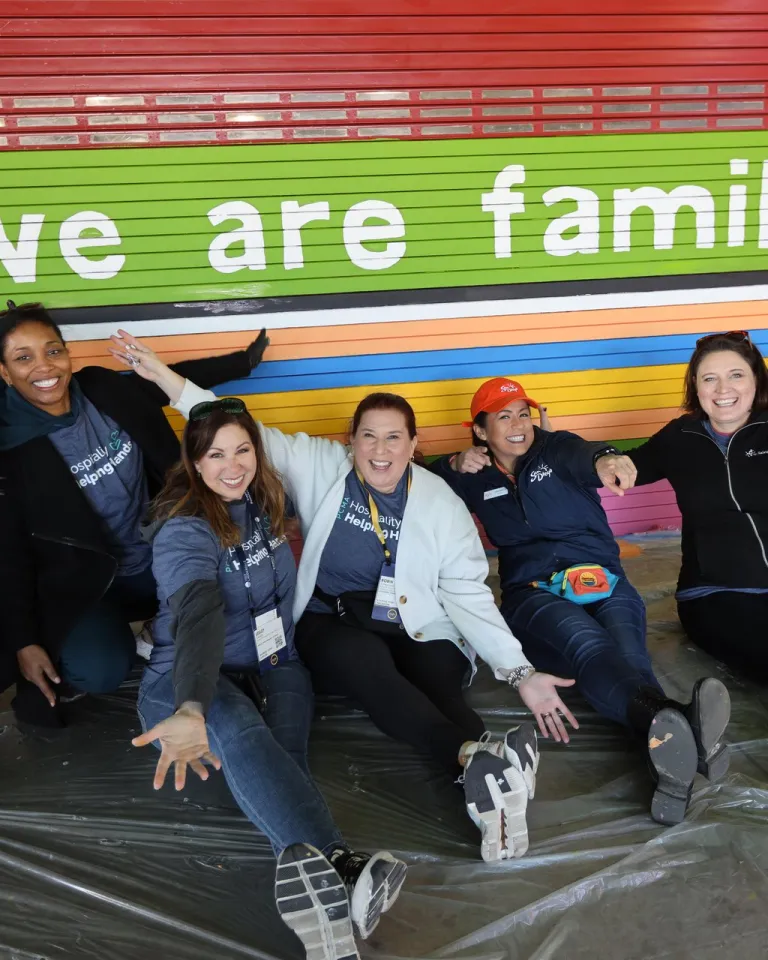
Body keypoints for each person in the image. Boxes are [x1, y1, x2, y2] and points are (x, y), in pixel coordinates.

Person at [172, 380, 581, 861]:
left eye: (393, 438)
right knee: (370, 668)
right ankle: (485, 763)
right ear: (351, 441)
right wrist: (166, 378)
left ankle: (490, 800)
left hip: (419, 619)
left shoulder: (440, 501)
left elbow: (466, 591)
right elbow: (246, 433)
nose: (380, 450)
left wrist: (519, 672)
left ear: (413, 444)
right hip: (334, 616)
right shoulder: (324, 466)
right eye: (369, 436)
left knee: (438, 683)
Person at [135, 399, 406, 959]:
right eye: (216, 455)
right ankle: (343, 867)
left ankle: (323, 917)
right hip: (183, 678)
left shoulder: (262, 501)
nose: (232, 466)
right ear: (194, 461)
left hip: (273, 660)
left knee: (287, 759)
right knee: (239, 730)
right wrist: (189, 705)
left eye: (243, 450)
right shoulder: (184, 530)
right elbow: (198, 613)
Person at [431, 376, 730, 826]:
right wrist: (452, 463)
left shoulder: (556, 449)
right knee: (589, 644)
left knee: (631, 659)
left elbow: (588, 455)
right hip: (532, 592)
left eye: (523, 414)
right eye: (503, 416)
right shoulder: (474, 475)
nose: (518, 425)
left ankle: (672, 767)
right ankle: (681, 723)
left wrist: (609, 460)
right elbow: (417, 481)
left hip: (602, 578)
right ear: (479, 430)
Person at [0, 300, 269, 729]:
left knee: (236, 582)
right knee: (101, 669)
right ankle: (130, 635)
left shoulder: (100, 389)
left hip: (155, 552)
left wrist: (241, 362)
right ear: (5, 373)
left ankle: (157, 628)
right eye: (22, 357)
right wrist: (24, 641)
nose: (44, 366)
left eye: (53, 350)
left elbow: (164, 384)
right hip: (88, 582)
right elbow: (7, 552)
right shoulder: (10, 449)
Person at [600, 331, 768, 681]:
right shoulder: (681, 437)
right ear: (696, 385)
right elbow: (624, 467)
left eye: (736, 375)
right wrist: (593, 456)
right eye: (710, 378)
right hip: (716, 593)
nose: (723, 390)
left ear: (756, 379)